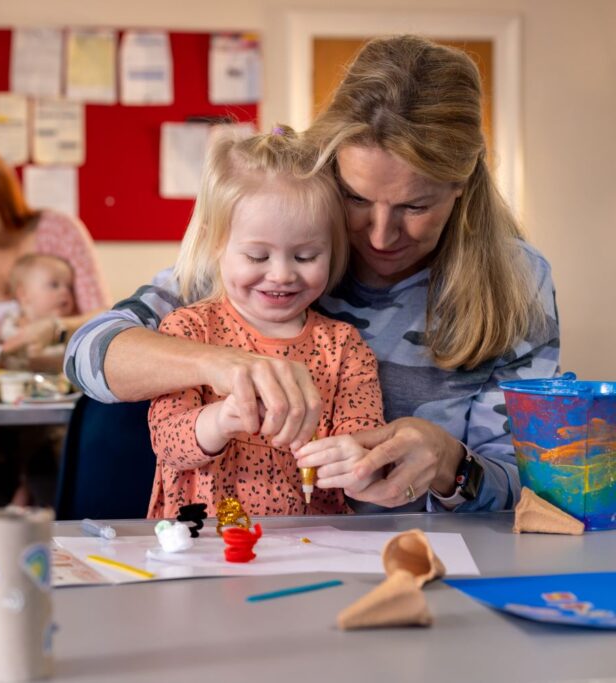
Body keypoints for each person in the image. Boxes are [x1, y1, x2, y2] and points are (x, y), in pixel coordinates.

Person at [65, 35, 559, 513]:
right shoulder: (271, 253)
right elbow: (87, 354)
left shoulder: (517, 282)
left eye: (415, 205)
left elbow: (534, 487)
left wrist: (452, 465)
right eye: (356, 198)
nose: (381, 236)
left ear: (463, 184)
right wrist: (221, 364)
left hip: (424, 556)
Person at [148, 128, 384, 519]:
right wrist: (222, 419)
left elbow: (365, 442)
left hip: (315, 544)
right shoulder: (188, 332)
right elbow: (169, 443)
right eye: (258, 257)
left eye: (306, 256)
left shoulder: (344, 347)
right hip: (202, 542)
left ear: (332, 249)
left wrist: (353, 457)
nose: (281, 275)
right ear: (214, 244)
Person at [0, 143, 110, 519]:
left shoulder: (57, 231)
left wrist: (55, 327)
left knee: (49, 472)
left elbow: (104, 315)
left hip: (57, 400)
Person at [0, 253, 76, 369]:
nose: (65, 292)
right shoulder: (10, 325)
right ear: (23, 294)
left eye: (69, 287)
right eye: (54, 285)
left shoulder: (67, 329)